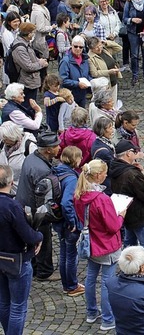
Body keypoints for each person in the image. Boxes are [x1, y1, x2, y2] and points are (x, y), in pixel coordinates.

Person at [0, 163, 43, 335]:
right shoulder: (12, 206)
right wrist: (39, 237)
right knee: (18, 306)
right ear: (10, 182)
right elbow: (28, 236)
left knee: (3, 302)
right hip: (16, 260)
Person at [110, 140, 144, 268]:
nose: (136, 153)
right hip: (139, 216)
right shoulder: (132, 174)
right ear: (128, 154)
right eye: (134, 152)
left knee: (129, 246)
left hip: (126, 214)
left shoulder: (115, 168)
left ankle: (127, 270)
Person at [15, 131, 60, 281]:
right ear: (48, 150)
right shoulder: (42, 170)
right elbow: (42, 197)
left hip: (24, 205)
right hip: (35, 211)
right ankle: (45, 272)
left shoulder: (32, 157)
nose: (59, 147)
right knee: (44, 239)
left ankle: (34, 268)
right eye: (56, 146)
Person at [52, 146, 83, 296]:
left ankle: (67, 284)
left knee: (64, 253)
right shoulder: (71, 178)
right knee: (70, 254)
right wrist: (73, 222)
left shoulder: (57, 170)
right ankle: (71, 286)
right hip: (67, 223)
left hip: (58, 221)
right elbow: (66, 203)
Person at [59, 35, 92, 107]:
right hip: (70, 95)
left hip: (82, 94)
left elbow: (88, 75)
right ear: (71, 45)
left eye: (80, 47)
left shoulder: (85, 60)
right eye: (75, 46)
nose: (78, 49)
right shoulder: (65, 61)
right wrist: (77, 84)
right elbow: (63, 80)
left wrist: (92, 82)